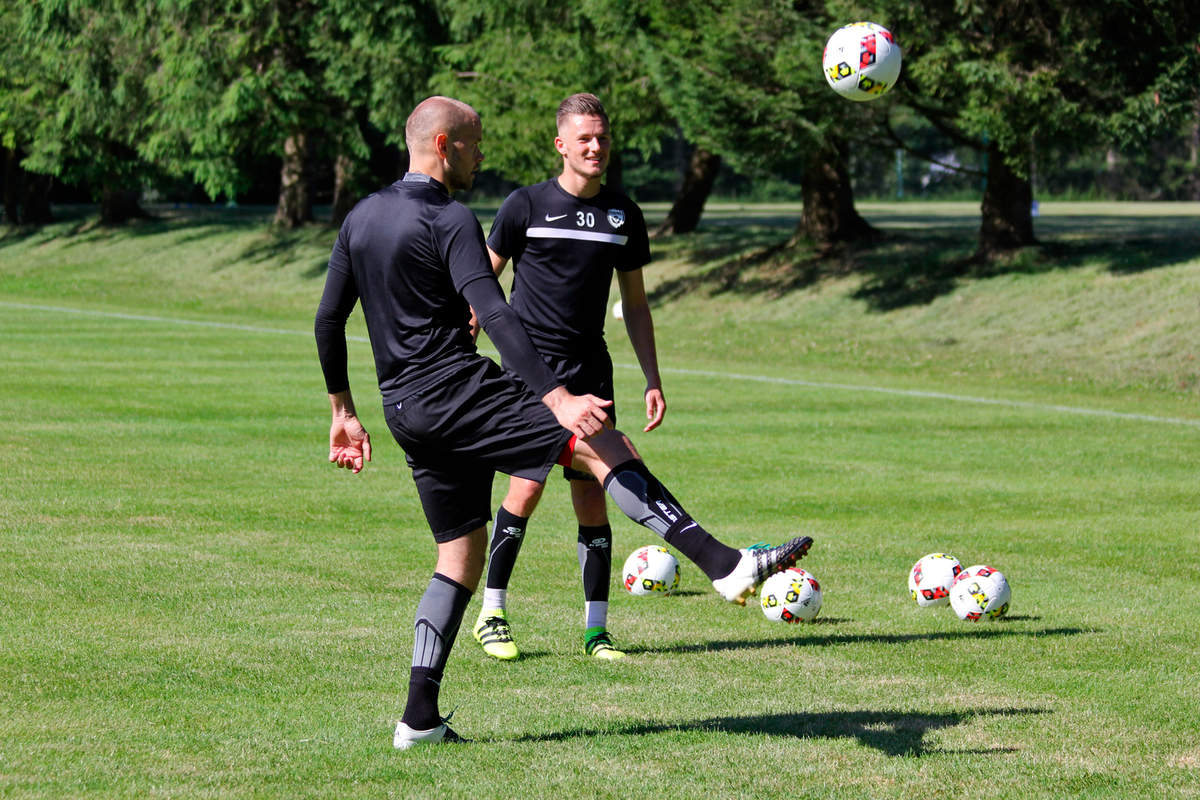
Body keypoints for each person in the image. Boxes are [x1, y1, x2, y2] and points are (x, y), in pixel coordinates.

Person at [314, 95, 812, 750]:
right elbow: (495, 315)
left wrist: (342, 411)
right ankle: (727, 567)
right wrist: (556, 398)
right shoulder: (452, 218)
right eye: (473, 143)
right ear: (443, 146)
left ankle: (419, 719)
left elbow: (327, 319)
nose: (480, 153)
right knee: (600, 443)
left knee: (457, 559)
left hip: (406, 410)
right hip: (459, 393)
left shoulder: (362, 215)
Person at [472, 93, 661, 662]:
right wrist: (464, 338)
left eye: (602, 137)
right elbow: (481, 284)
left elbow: (636, 305)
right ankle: (492, 613)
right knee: (525, 488)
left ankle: (596, 631)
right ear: (561, 144)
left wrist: (651, 377)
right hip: (532, 373)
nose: (596, 147)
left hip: (592, 370)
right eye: (584, 138)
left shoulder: (623, 214)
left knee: (594, 499)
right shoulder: (524, 206)